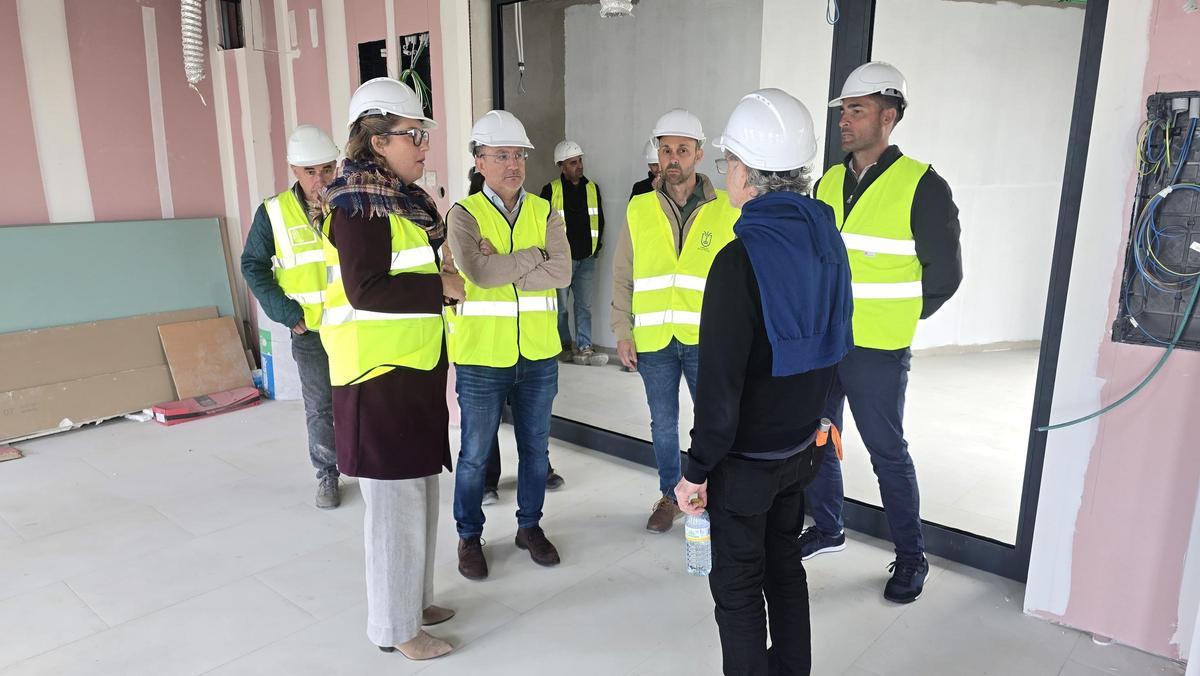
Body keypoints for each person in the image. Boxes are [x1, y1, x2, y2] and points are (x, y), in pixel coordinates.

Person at [676, 87, 853, 676]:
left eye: (728, 164)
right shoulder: (829, 241)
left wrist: (694, 471)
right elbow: (836, 344)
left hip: (746, 465)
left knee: (739, 588)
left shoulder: (738, 260)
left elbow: (719, 395)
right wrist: (821, 419)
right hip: (801, 452)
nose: (726, 173)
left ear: (746, 172)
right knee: (785, 569)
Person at [802, 61, 963, 604]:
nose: (844, 121)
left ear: (889, 117)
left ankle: (911, 557)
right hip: (827, 344)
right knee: (817, 436)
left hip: (877, 351)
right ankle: (828, 528)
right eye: (843, 111)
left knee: (886, 453)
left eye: (857, 110)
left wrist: (894, 320)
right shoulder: (827, 181)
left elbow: (944, 278)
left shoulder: (922, 184)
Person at [320, 77, 461, 659]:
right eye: (413, 135)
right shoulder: (358, 205)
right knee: (394, 511)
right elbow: (366, 288)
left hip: (410, 369)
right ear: (378, 142)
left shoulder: (397, 202)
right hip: (377, 377)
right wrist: (441, 285)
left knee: (418, 494)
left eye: (423, 133)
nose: (424, 144)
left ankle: (415, 600)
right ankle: (396, 628)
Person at [446, 110, 572, 580]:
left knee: (536, 451)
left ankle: (529, 527)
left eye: (518, 155)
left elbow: (562, 273)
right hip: (482, 357)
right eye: (501, 155)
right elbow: (476, 274)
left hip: (538, 355)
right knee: (476, 452)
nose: (514, 164)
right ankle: (467, 536)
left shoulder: (544, 211)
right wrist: (534, 255)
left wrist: (507, 263)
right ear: (480, 161)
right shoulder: (463, 216)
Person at [611, 108, 741, 533]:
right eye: (666, 149)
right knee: (663, 423)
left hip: (708, 339)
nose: (672, 158)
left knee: (714, 423)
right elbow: (622, 272)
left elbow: (744, 275)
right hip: (654, 341)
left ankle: (709, 498)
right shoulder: (639, 208)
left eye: (682, 150)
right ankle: (670, 495)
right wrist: (621, 330)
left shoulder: (727, 209)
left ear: (699, 155)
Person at [240, 124, 341, 509]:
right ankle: (327, 473)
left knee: (362, 400)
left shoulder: (351, 204)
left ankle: (365, 464)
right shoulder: (274, 213)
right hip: (310, 329)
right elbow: (254, 265)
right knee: (320, 405)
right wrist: (287, 313)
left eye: (328, 169)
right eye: (311, 171)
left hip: (356, 326)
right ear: (295, 171)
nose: (321, 179)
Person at [540, 140, 608, 369]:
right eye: (572, 162)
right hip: (561, 261)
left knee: (584, 306)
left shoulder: (592, 188)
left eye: (579, 161)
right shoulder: (550, 191)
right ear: (561, 166)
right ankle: (563, 345)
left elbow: (600, 219)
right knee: (560, 307)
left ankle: (584, 346)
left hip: (586, 258)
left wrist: (596, 248)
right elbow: (541, 226)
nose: (579, 166)